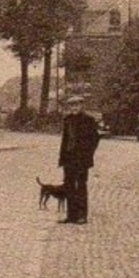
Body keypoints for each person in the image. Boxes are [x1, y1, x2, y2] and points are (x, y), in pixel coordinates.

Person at [58, 95, 101, 225]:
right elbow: (64, 140)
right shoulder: (67, 120)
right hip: (69, 158)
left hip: (81, 159)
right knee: (69, 186)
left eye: (77, 105)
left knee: (81, 186)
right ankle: (71, 215)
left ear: (81, 106)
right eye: (72, 106)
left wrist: (87, 155)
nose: (74, 108)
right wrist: (62, 158)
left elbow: (95, 139)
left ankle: (82, 215)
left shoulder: (88, 120)